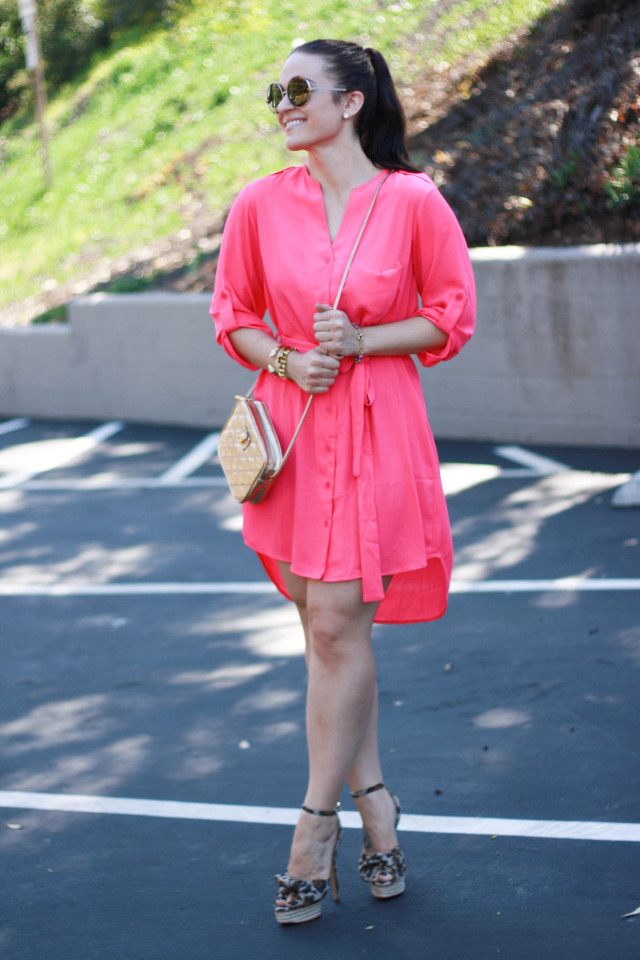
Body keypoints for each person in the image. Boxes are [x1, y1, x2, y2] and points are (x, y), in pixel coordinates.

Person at [210, 38, 475, 925]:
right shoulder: (258, 204)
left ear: (352, 101)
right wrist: (289, 356)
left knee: (332, 624)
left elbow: (450, 317)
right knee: (327, 637)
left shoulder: (412, 201)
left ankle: (311, 831)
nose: (281, 104)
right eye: (273, 90)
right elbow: (233, 316)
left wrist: (362, 339)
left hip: (378, 433)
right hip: (294, 436)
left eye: (297, 89)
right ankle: (380, 813)